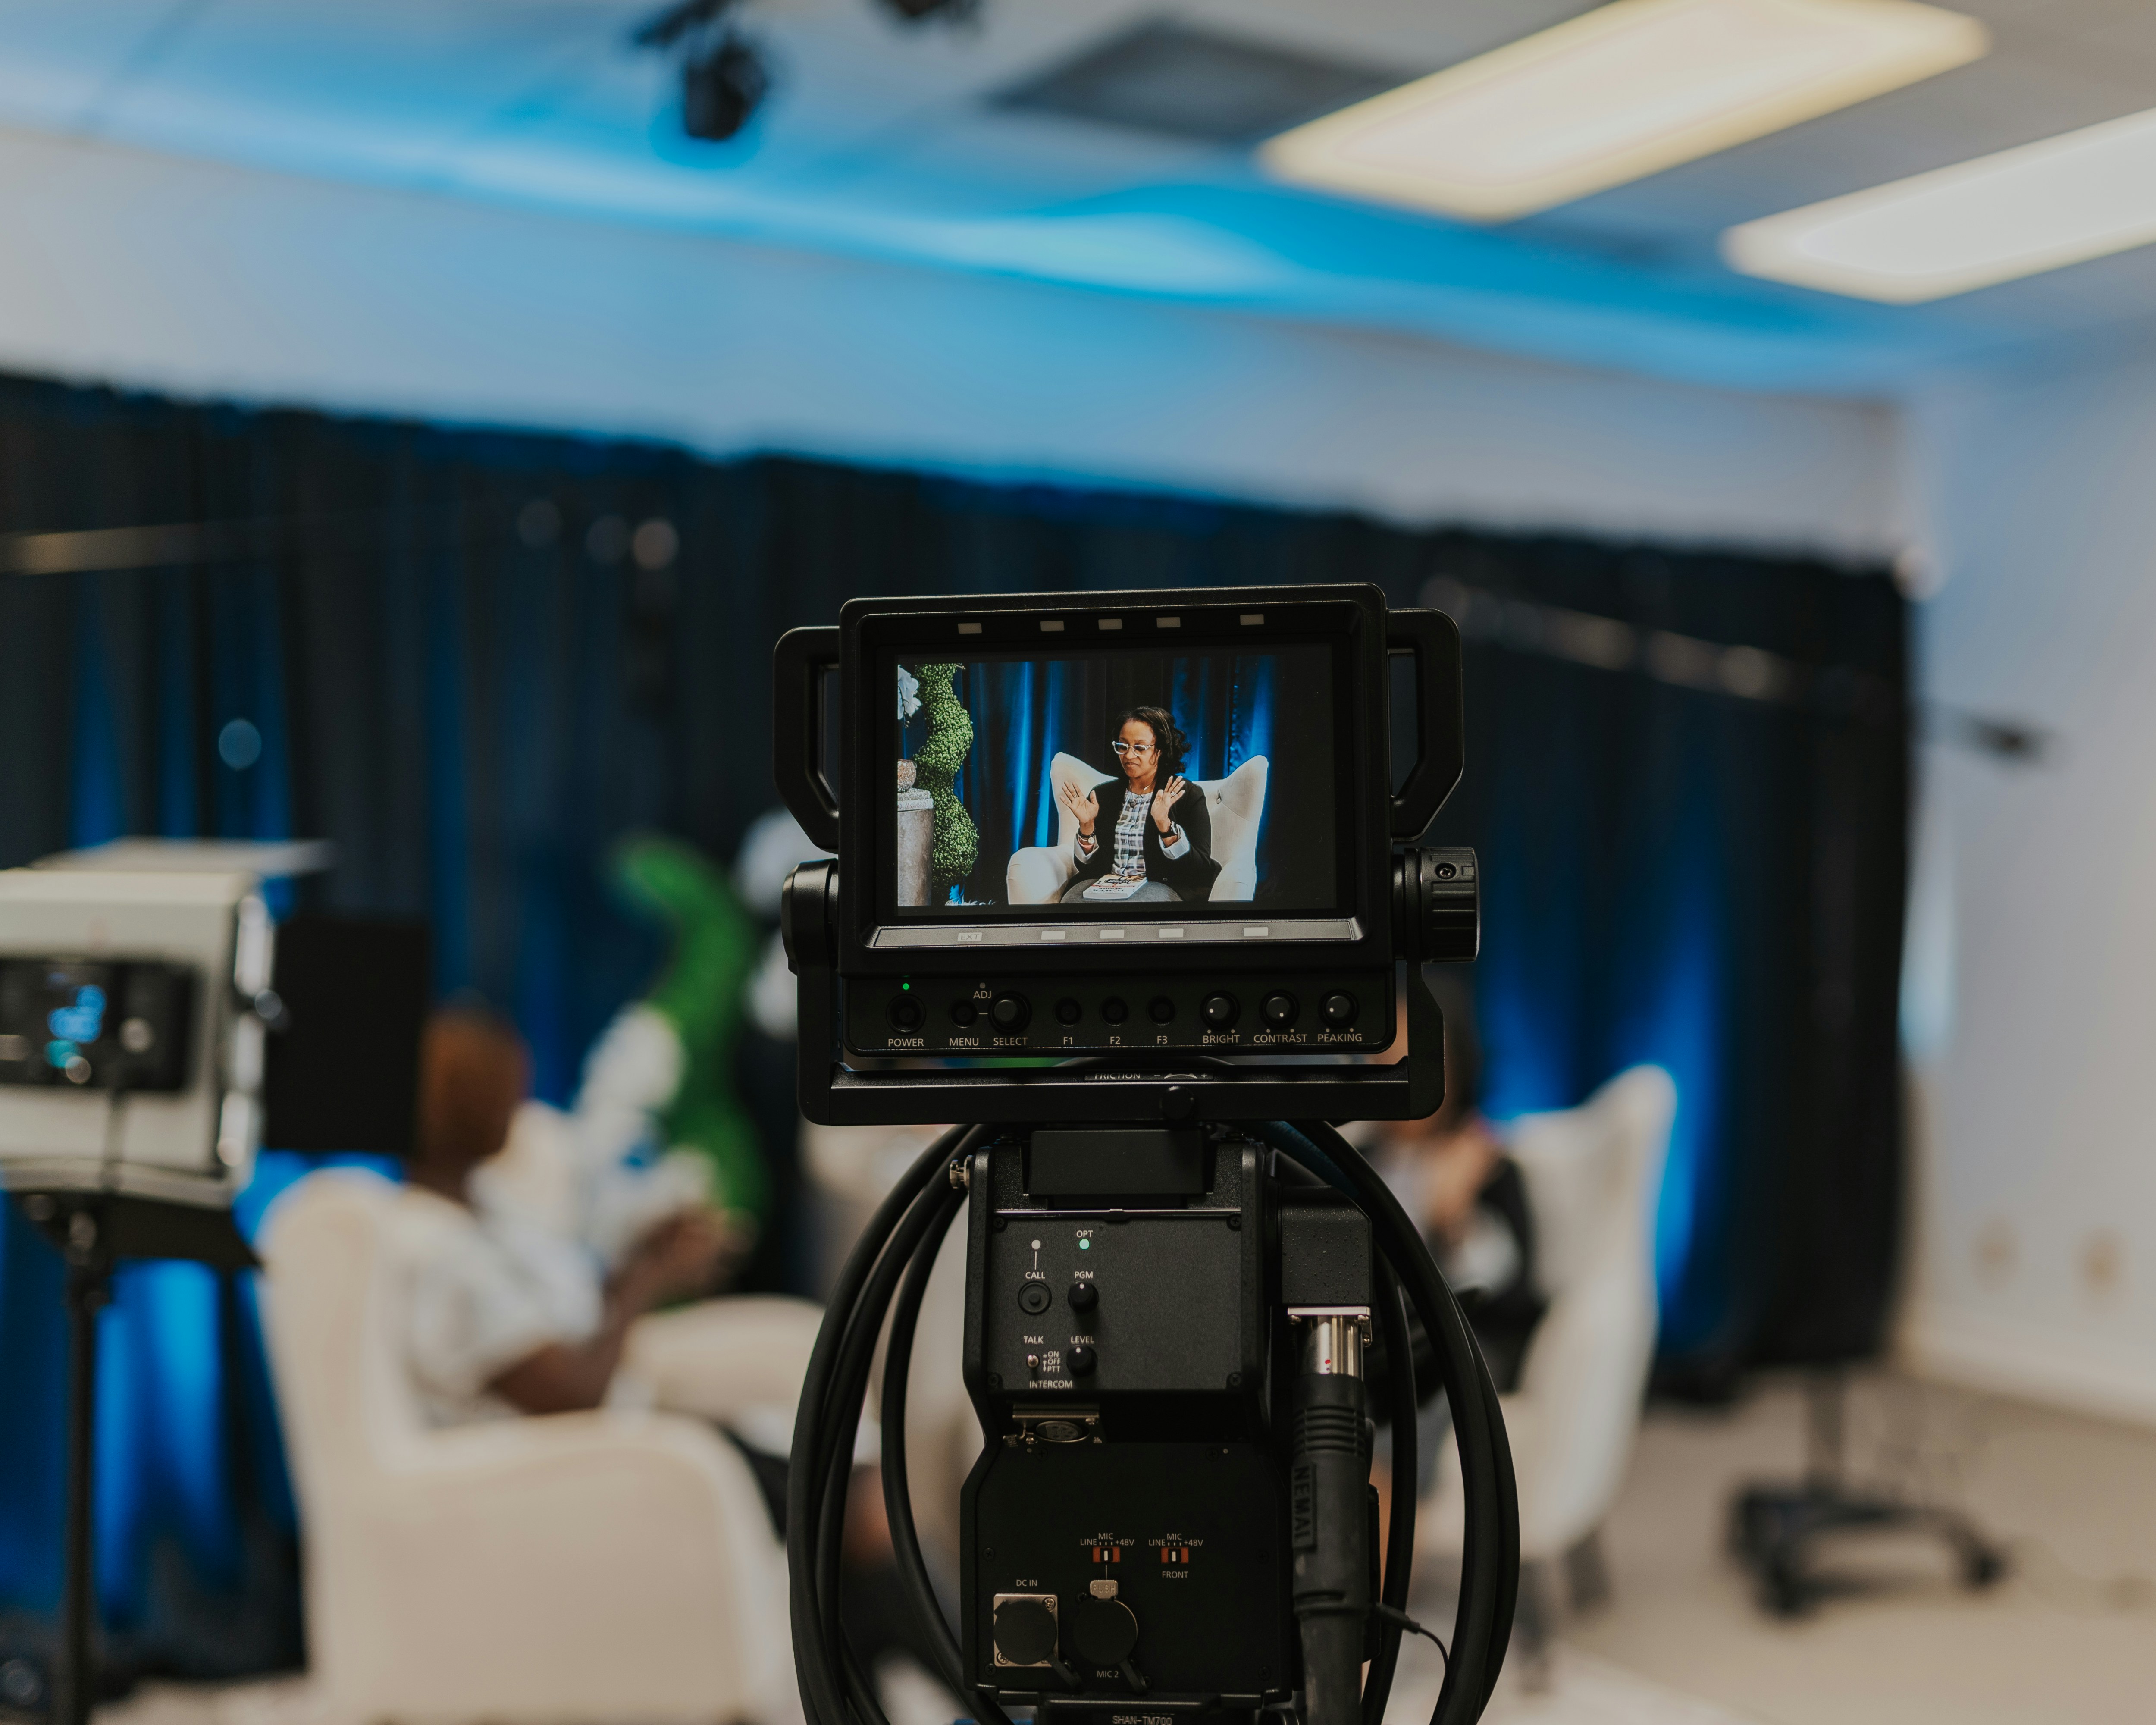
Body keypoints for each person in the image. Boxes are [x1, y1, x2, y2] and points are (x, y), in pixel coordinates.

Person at [1054, 705, 1219, 903]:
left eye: (1140, 748)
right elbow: (1088, 869)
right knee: (1071, 904)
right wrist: (1087, 827)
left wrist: (1165, 828)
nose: (1129, 756)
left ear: (1159, 751)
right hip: (1105, 884)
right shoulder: (1103, 795)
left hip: (1160, 884)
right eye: (1123, 747)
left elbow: (1200, 870)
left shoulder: (1185, 794)